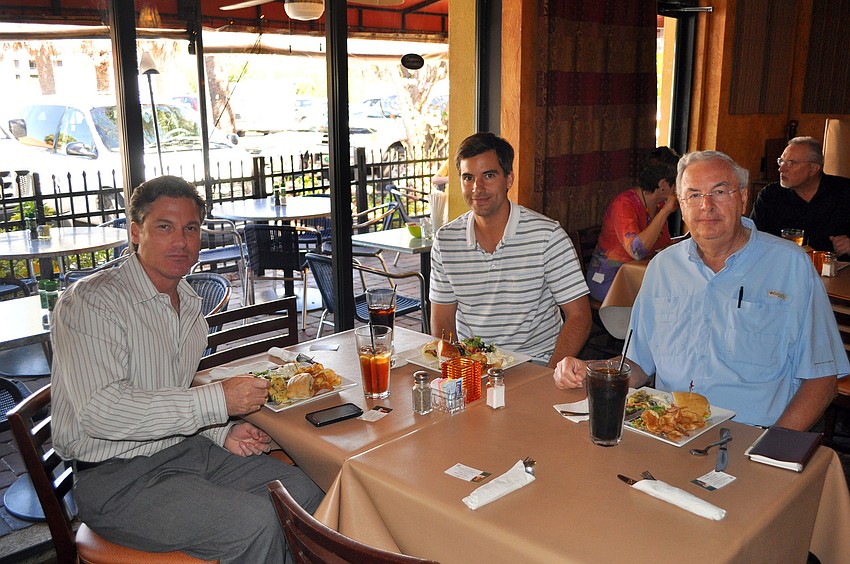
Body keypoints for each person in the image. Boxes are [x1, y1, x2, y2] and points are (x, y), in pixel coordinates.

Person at [51, 176, 323, 563]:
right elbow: (103, 413)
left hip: (186, 451)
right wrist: (218, 401)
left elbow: (168, 394)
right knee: (256, 522)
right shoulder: (92, 303)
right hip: (116, 479)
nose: (180, 241)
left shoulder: (189, 303)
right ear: (135, 232)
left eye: (190, 228)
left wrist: (222, 431)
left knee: (304, 487)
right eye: (164, 227)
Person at [553, 151, 848, 430]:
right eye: (694, 195)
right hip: (670, 431)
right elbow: (637, 363)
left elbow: (822, 376)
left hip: (752, 433)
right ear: (680, 205)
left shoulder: (790, 266)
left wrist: (773, 446)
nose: (707, 205)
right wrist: (590, 369)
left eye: (720, 192)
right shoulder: (662, 268)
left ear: (743, 199)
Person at [429, 132, 591, 367]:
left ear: (509, 179)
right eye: (468, 177)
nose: (477, 187)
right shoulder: (446, 241)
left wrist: (549, 375)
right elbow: (442, 319)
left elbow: (580, 317)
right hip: (474, 368)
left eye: (489, 175)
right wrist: (457, 368)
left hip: (536, 364)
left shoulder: (547, 236)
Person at [586, 147, 680, 301]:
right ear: (663, 184)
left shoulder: (658, 206)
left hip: (639, 276)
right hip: (609, 279)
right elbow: (637, 251)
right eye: (676, 183)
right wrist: (665, 212)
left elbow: (662, 246)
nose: (679, 188)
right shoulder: (624, 204)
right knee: (662, 300)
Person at [750, 136, 850, 258]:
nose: (781, 169)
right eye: (781, 161)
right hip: (782, 269)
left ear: (813, 168)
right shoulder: (771, 195)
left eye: (791, 163)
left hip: (837, 272)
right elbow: (752, 239)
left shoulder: (844, 191)